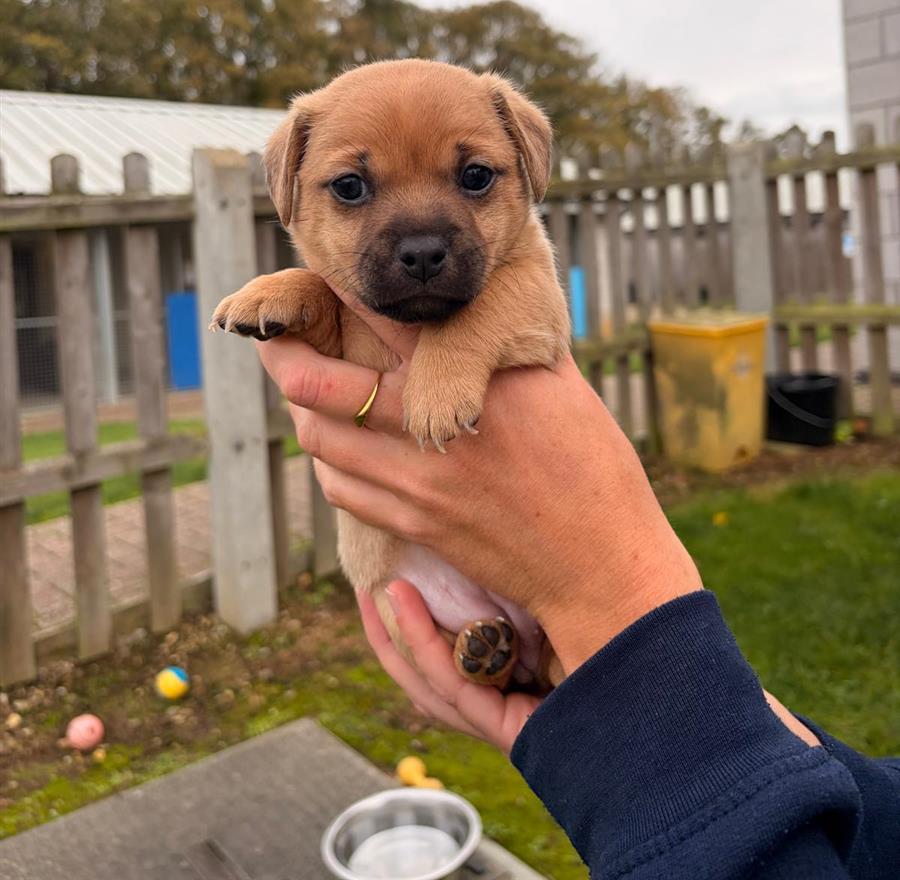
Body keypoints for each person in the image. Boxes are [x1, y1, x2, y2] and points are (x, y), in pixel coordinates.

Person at [258, 305, 899, 879]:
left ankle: (545, 658)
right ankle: (514, 656)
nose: (421, 240)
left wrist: (615, 615)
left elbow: (534, 313)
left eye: (476, 177)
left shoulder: (513, 267)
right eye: (351, 188)